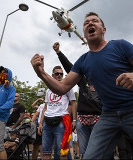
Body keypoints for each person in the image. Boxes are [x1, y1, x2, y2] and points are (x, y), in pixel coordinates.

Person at [31, 12, 133, 159]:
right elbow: (62, 87)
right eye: (86, 23)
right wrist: (41, 73)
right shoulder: (83, 61)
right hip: (108, 115)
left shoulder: (120, 45)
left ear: (104, 29)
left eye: (95, 21)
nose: (90, 23)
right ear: (84, 34)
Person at [52, 42, 103, 158]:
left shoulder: (103, 81)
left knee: (100, 151)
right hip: (82, 120)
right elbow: (69, 67)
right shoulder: (82, 80)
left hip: (99, 119)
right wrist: (59, 52)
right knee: (84, 152)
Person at [37, 66, 76, 160]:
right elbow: (45, 107)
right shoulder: (48, 90)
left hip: (61, 121)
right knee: (45, 152)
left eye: (61, 74)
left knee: (62, 152)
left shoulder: (67, 87)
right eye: (57, 73)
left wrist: (74, 120)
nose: (59, 75)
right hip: (47, 122)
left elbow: (73, 103)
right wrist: (41, 123)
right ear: (53, 75)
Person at [0, 66, 15, 160]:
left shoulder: (10, 88)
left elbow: (9, 103)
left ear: (9, 75)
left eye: (5, 72)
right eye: (1, 72)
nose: (3, 74)